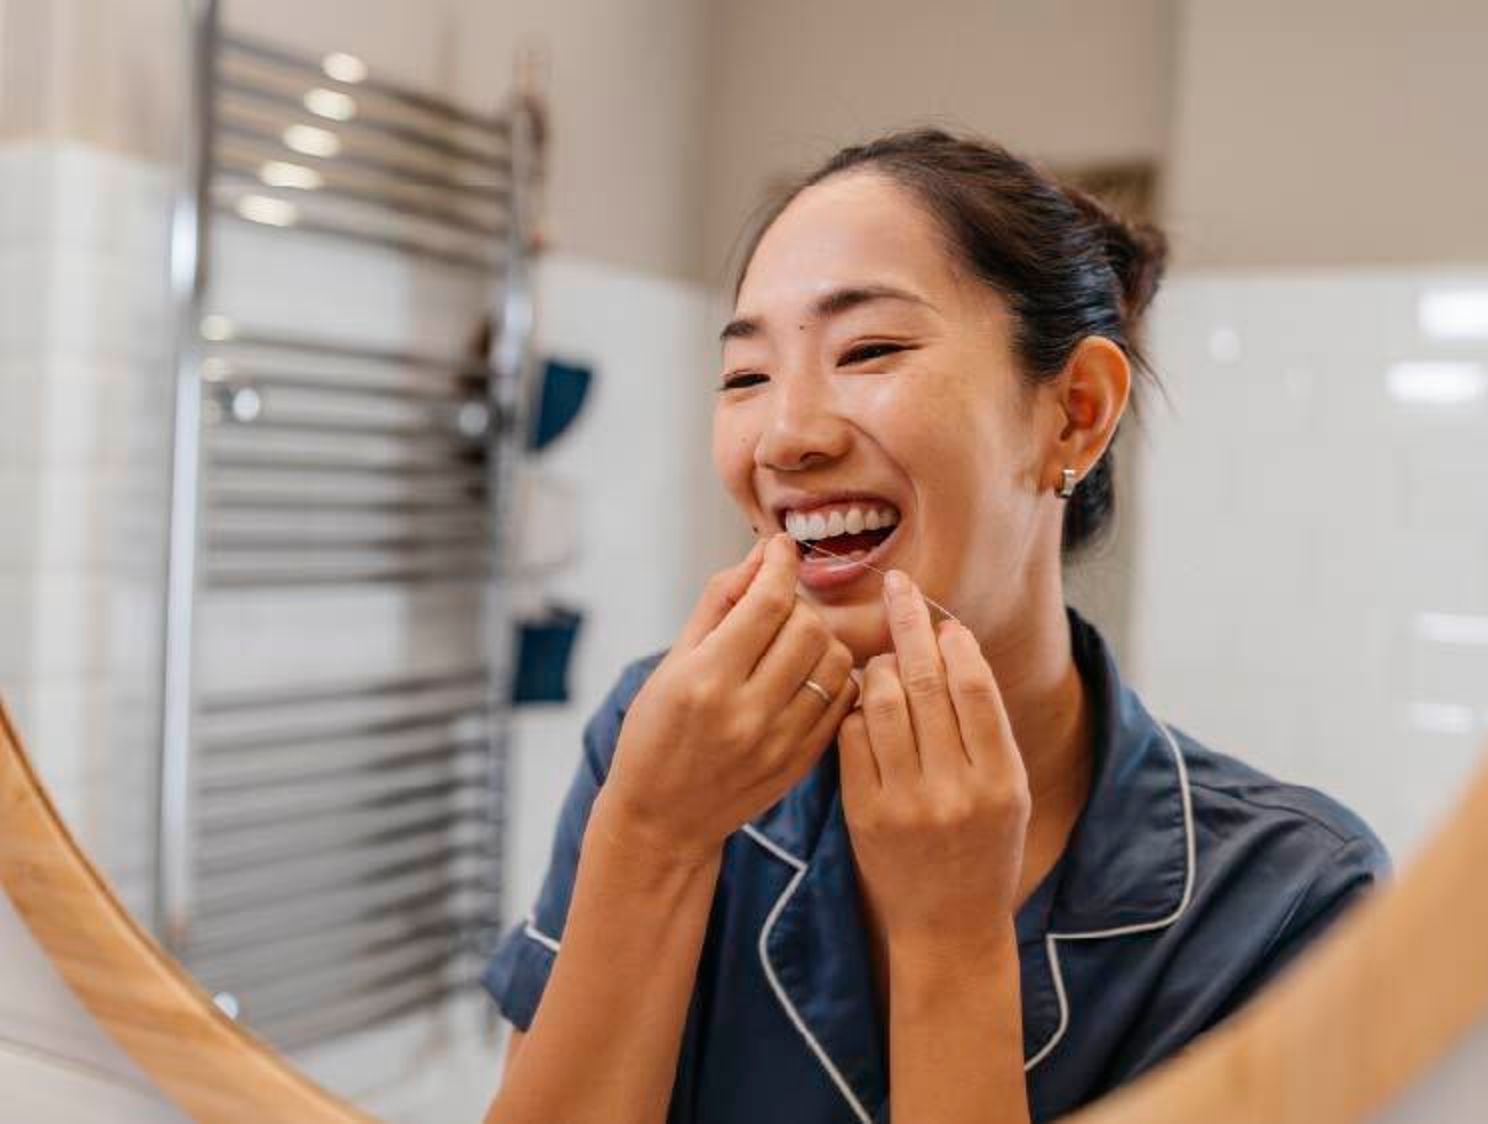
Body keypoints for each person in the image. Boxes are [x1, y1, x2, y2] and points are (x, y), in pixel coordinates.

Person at [480, 127, 1390, 1124]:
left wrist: (951, 951)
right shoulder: (663, 742)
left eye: (868, 350)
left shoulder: (1289, 896)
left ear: (1076, 412)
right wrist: (651, 840)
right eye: (746, 377)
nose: (786, 436)